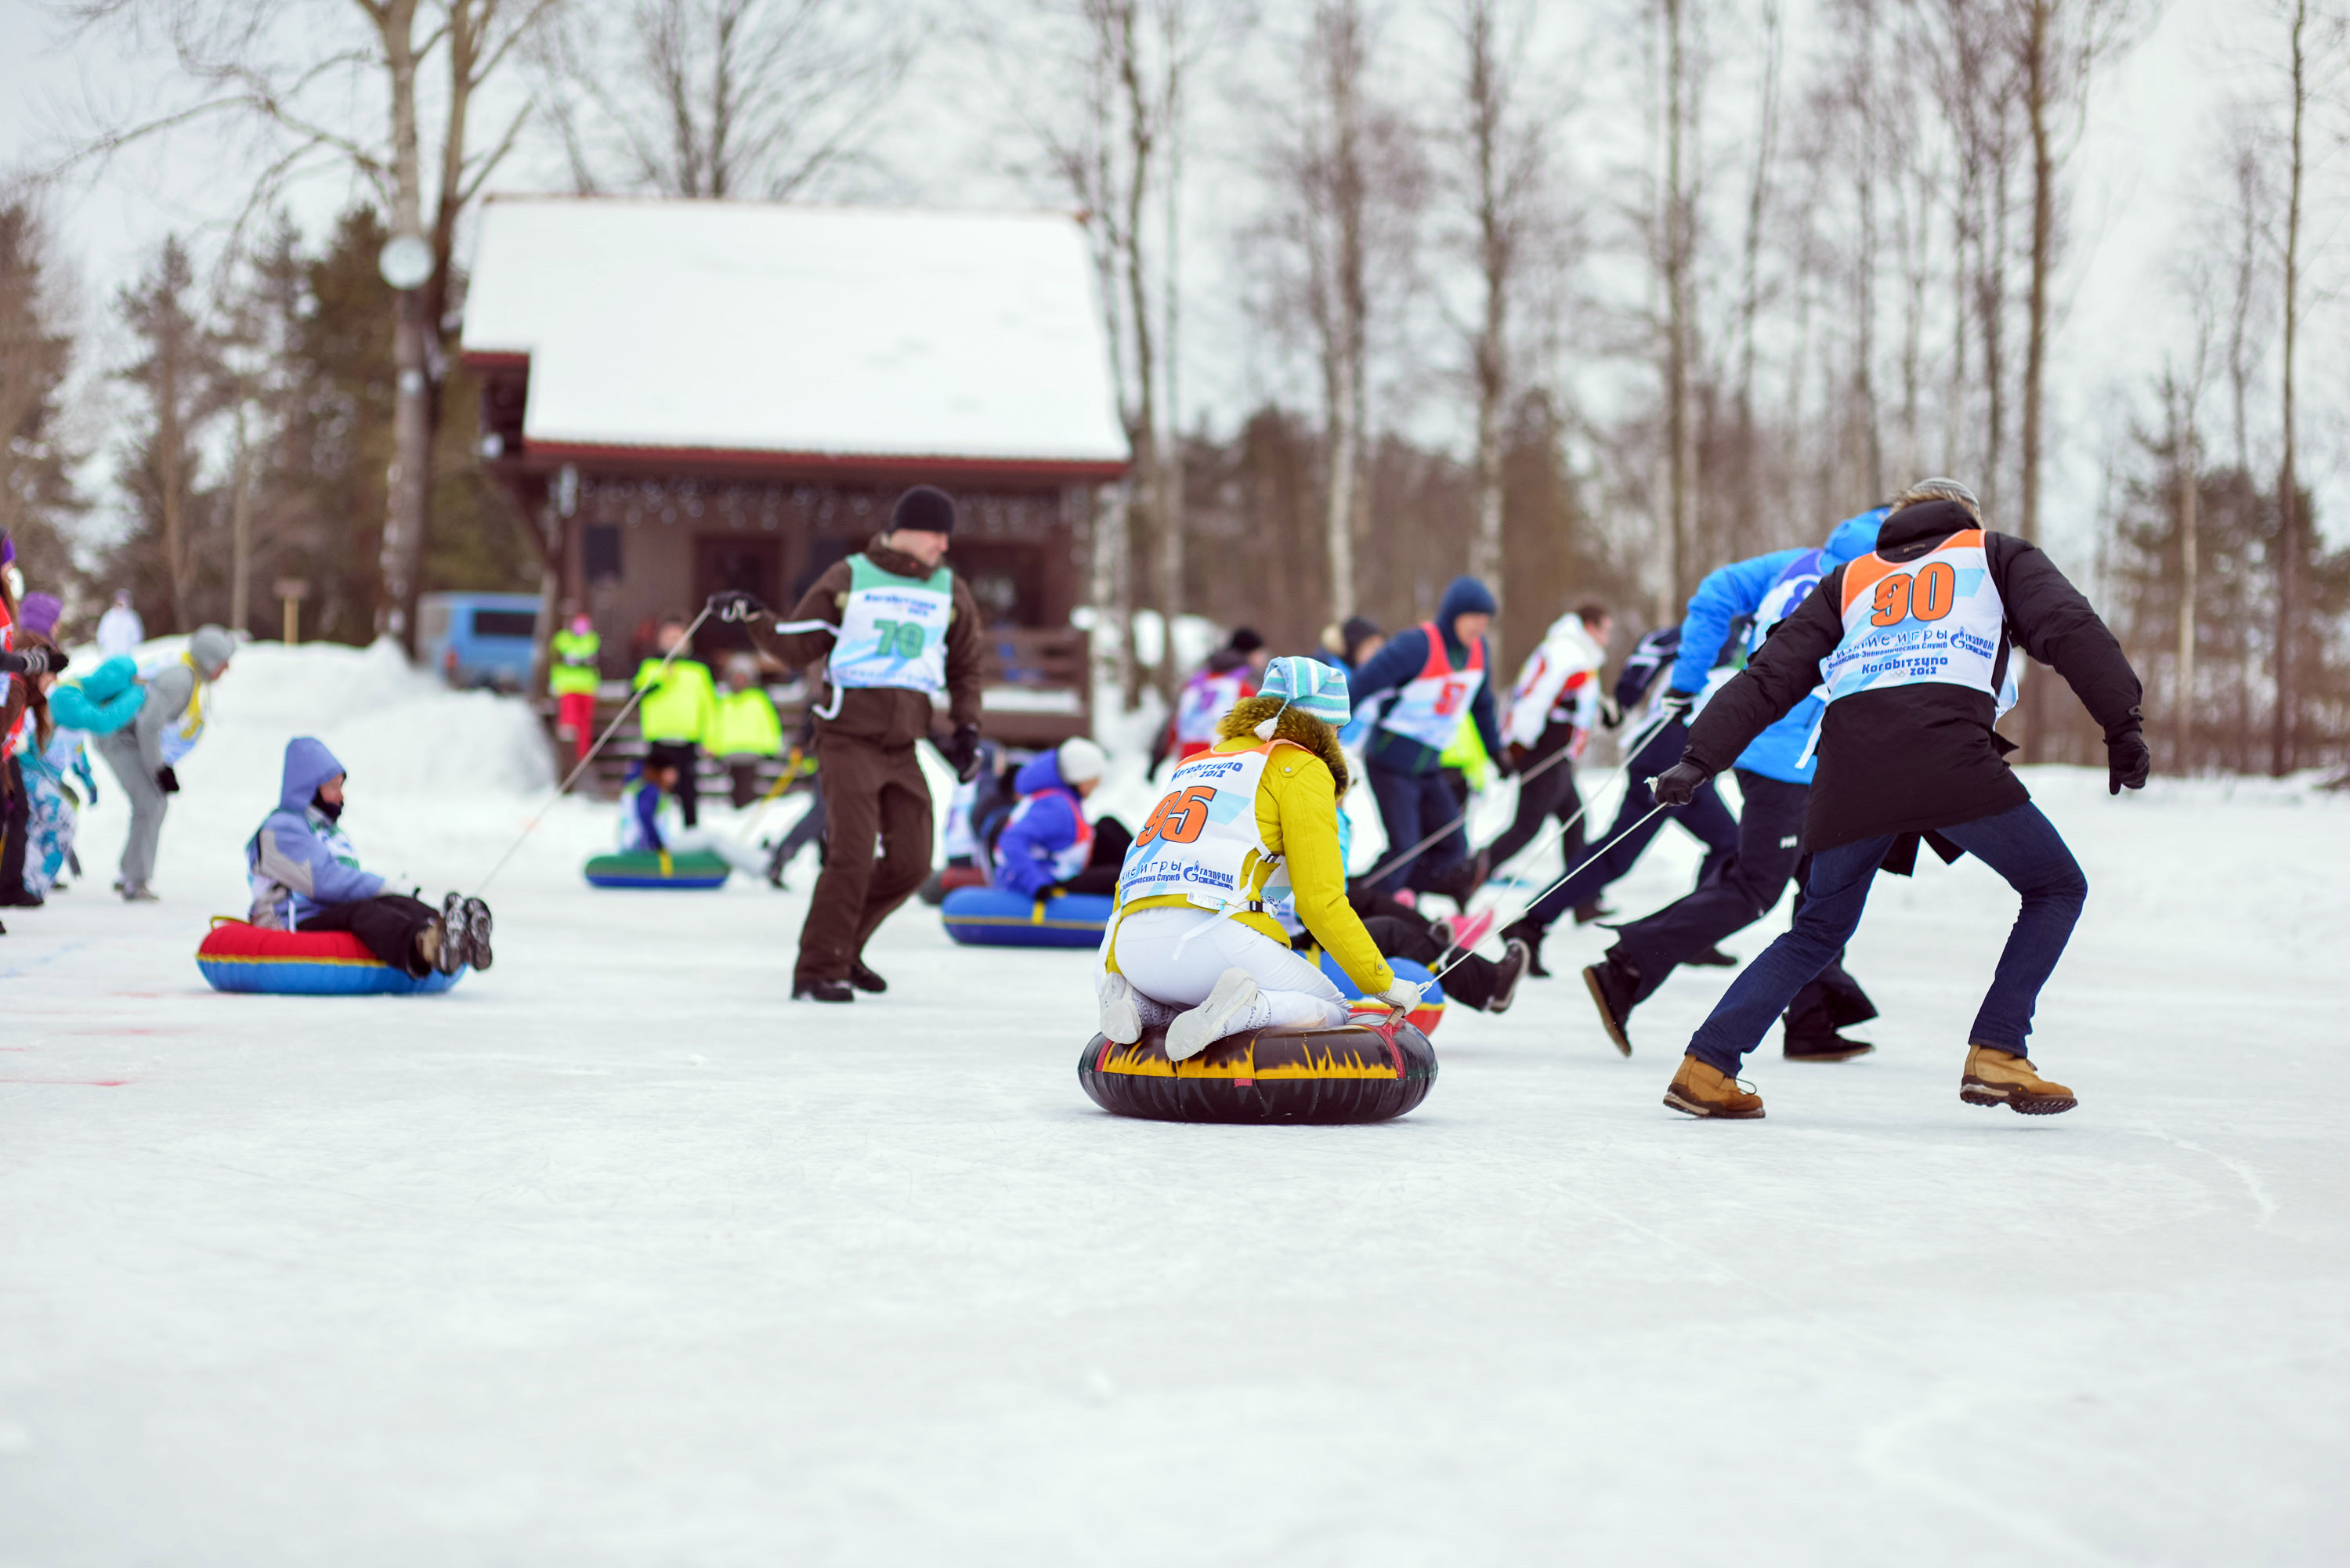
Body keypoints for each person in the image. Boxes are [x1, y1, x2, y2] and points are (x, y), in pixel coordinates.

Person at [1649, 479, 2149, 1119]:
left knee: (1816, 930)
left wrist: (1699, 759)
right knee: (2056, 888)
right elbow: (2070, 628)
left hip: (1846, 773)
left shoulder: (1850, 579)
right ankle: (1999, 1049)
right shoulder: (1993, 554)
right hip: (1948, 759)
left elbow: (1770, 675)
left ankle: (1707, 1066)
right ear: (1966, 520)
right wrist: (2123, 724)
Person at [1579, 510, 1890, 1061]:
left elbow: (1716, 589)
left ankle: (1811, 1021)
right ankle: (1626, 966)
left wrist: (1688, 678)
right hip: (1787, 760)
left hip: (1781, 748)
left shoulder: (1801, 561)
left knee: (1820, 885)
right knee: (1754, 886)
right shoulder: (1878, 583)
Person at [1099, 656, 1417, 1060]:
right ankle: (1248, 1007)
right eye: (1338, 727)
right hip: (1211, 935)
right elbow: (1320, 900)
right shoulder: (1302, 767)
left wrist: (1114, 965)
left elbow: (1132, 872)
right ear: (1321, 723)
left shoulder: (1196, 763)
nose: (1338, 740)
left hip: (1130, 947)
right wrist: (1381, 981)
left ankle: (1138, 1004)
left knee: (1189, 996)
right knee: (1334, 1008)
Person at [747, 484, 985, 1003]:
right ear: (906, 529)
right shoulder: (850, 576)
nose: (943, 546)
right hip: (847, 739)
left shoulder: (949, 589)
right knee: (852, 855)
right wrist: (754, 617)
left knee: (913, 862)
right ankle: (816, 969)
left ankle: (843, 949)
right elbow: (797, 645)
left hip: (904, 747)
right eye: (936, 534)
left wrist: (966, 727)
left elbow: (965, 665)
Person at [1498, 621, 1739, 976]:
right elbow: (1654, 648)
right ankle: (1531, 922)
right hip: (1670, 753)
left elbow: (1652, 647)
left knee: (1727, 842)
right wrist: (1624, 701)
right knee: (1618, 855)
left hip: (1684, 752)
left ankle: (1695, 935)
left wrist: (1625, 701)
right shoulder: (1735, 627)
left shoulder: (1733, 626)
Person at [246, 737, 492, 977]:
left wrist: (400, 894)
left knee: (392, 901)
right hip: (292, 920)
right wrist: (384, 886)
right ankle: (427, 946)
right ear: (308, 790)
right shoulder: (281, 829)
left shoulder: (328, 831)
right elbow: (325, 882)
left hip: (327, 911)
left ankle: (454, 934)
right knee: (366, 911)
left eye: (341, 787)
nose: (340, 797)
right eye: (333, 787)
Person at [1347, 576, 1509, 901]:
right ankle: (1353, 907)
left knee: (1453, 845)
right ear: (1454, 615)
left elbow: (1482, 705)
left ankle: (1389, 897)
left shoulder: (1479, 652)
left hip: (1429, 767)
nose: (1481, 625)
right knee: (1405, 849)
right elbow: (1361, 685)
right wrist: (1322, 725)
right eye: (1474, 617)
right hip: (1391, 763)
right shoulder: (1417, 646)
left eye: (1486, 619)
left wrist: (1496, 752)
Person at [91, 623, 234, 902]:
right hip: (115, 735)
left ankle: (130, 873)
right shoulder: (181, 680)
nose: (226, 670)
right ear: (209, 660)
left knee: (152, 801)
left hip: (122, 734)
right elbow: (148, 725)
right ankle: (135, 880)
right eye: (224, 663)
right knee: (151, 801)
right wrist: (158, 769)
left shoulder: (186, 673)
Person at [1486, 602, 1613, 876]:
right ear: (1590, 627)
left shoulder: (1576, 652)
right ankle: (1469, 873)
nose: (1608, 639)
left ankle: (1580, 897)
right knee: (1527, 827)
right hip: (1543, 751)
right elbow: (1535, 699)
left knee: (1574, 823)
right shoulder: (1568, 653)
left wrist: (1605, 710)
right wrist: (1518, 747)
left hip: (1558, 754)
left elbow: (1577, 697)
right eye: (1606, 631)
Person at [992, 738, 1132, 899]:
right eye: (1095, 777)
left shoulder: (1063, 798)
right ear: (1081, 778)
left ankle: (1145, 866)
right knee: (1120, 878)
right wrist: (1036, 883)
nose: (1098, 784)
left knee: (1108, 825)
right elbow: (1012, 840)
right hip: (1049, 879)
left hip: (1067, 865)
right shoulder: (1055, 807)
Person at [616, 756, 772, 880]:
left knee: (710, 837)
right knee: (712, 838)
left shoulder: (639, 788)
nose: (676, 775)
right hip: (649, 846)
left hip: (643, 844)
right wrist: (657, 845)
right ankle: (762, 865)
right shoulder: (650, 790)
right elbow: (645, 817)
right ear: (661, 772)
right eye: (672, 771)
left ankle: (757, 860)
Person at [632, 617, 717, 826]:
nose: (673, 642)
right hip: (659, 738)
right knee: (654, 791)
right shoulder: (651, 666)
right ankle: (652, 834)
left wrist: (712, 740)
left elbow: (711, 707)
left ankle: (691, 833)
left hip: (687, 739)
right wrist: (661, 680)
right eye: (669, 637)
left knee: (688, 791)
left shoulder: (698, 670)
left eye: (678, 637)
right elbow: (635, 696)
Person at [1153, 628, 1268, 773]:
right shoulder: (1248, 684)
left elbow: (1172, 724)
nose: (1264, 659)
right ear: (1251, 654)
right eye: (1261, 653)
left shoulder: (1194, 682)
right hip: (1227, 765)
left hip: (1187, 767)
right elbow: (1265, 725)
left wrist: (1156, 760)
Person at [710, 654, 784, 807]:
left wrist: (772, 746)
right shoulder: (724, 700)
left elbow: (769, 724)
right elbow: (715, 725)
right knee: (735, 790)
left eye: (743, 676)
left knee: (749, 788)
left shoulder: (758, 699)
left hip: (752, 751)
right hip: (729, 751)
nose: (739, 680)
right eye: (736, 676)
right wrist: (713, 747)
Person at [548, 610, 602, 768]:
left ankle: (583, 754)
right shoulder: (562, 639)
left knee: (585, 721)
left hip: (587, 687)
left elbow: (592, 660)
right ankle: (568, 754)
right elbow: (557, 659)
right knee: (570, 720)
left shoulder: (592, 639)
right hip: (568, 686)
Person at [96, 590, 144, 660]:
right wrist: (102, 642)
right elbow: (102, 633)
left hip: (126, 652)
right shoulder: (109, 617)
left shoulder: (131, 617)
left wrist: (134, 645)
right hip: (111, 652)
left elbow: (137, 635)